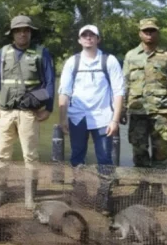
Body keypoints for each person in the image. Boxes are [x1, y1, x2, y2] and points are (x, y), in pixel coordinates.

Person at [0, 15, 55, 210]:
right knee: (1, 154)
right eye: (18, 30)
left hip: (29, 112)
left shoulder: (41, 52)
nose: (22, 33)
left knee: (31, 156)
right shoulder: (3, 52)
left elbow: (50, 83)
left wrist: (49, 109)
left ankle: (30, 197)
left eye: (26, 30)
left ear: (30, 32)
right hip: (5, 111)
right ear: (13, 34)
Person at [57, 24, 125, 212]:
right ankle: (80, 193)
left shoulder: (109, 60)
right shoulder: (72, 62)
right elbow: (64, 91)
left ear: (98, 39)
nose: (88, 38)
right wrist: (62, 119)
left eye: (92, 35)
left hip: (104, 118)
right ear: (79, 40)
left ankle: (104, 198)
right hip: (77, 117)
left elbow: (119, 92)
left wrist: (115, 120)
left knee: (104, 158)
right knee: (77, 156)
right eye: (84, 35)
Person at [122, 17, 167, 198]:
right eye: (145, 31)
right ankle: (142, 187)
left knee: (161, 152)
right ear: (139, 33)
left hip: (161, 111)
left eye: (152, 30)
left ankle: (157, 190)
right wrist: (122, 108)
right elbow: (124, 83)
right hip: (137, 110)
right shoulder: (130, 56)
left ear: (157, 32)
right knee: (139, 151)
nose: (149, 34)